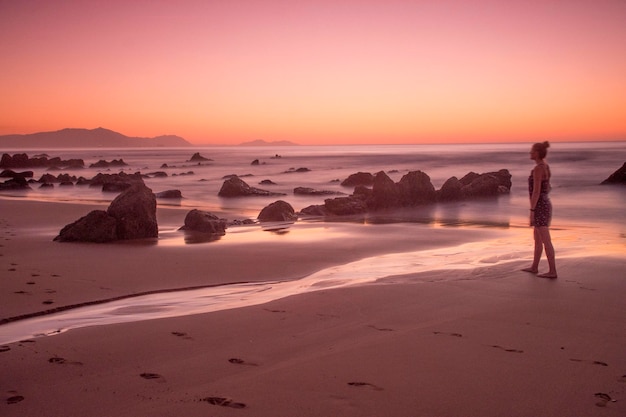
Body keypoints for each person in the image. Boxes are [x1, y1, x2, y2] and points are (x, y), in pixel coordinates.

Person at [522, 141, 557, 278]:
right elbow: (548, 188)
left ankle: (552, 271)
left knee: (545, 239)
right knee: (537, 239)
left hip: (540, 206)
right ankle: (534, 267)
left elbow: (536, 191)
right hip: (544, 203)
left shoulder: (538, 169)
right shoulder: (545, 167)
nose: (530, 153)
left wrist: (532, 211)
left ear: (537, 153)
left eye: (532, 151)